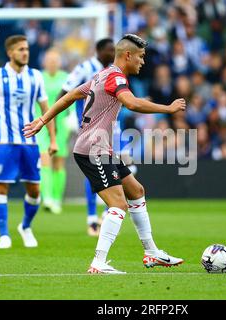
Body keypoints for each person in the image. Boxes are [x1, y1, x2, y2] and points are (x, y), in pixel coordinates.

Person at [23, 34, 185, 274]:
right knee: (118, 204)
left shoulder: (102, 74)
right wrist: (167, 108)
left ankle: (151, 253)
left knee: (136, 191)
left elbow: (70, 96)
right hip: (93, 148)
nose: (142, 62)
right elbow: (131, 103)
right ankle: (99, 262)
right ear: (127, 55)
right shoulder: (116, 78)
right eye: (140, 57)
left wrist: (43, 119)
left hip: (101, 147)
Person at [0, 35, 57, 249]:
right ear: (10, 52)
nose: (25, 52)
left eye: (26, 49)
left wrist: (53, 140)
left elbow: (47, 111)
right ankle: (4, 235)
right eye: (20, 49)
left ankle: (25, 226)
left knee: (35, 191)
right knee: (1, 188)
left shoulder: (36, 77)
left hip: (30, 144)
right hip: (4, 144)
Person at [57, 38, 115, 236]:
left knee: (122, 167)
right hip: (90, 128)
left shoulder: (113, 71)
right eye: (110, 50)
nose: (113, 53)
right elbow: (65, 91)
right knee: (95, 169)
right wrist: (57, 118)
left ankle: (106, 214)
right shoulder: (84, 68)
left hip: (110, 127)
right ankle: (93, 218)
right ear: (99, 51)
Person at [36, 49, 73, 214]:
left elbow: (71, 99)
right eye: (49, 60)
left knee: (58, 162)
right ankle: (47, 198)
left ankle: (57, 199)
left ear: (59, 63)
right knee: (45, 157)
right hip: (42, 123)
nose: (52, 63)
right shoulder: (39, 77)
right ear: (44, 62)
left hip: (60, 125)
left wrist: (71, 117)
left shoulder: (66, 78)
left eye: (55, 60)